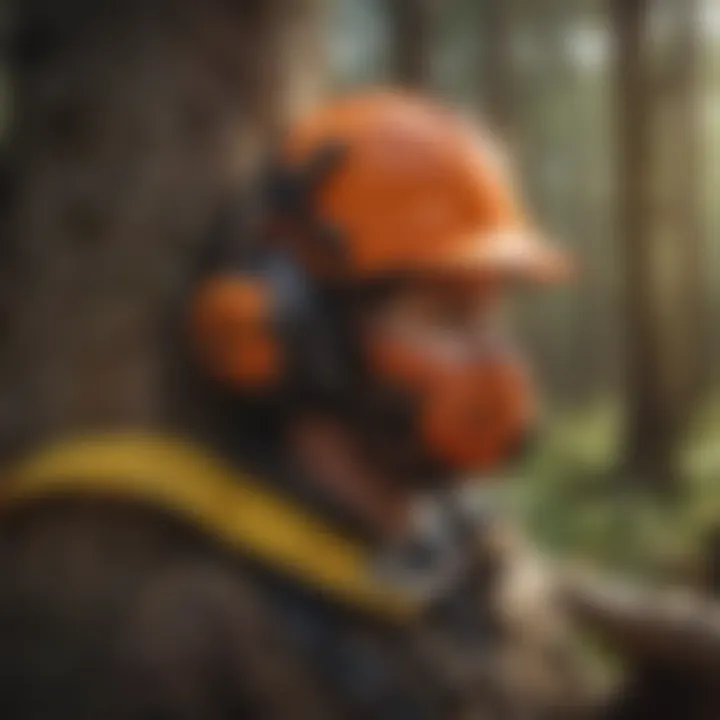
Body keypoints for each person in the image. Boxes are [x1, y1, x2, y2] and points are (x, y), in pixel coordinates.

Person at [0, 91, 588, 719]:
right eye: (448, 314)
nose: (497, 358)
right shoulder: (211, 635)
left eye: (495, 316)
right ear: (304, 334)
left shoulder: (484, 567)